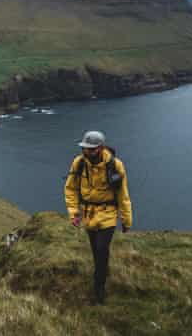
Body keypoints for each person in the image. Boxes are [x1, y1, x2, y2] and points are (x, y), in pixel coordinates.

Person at [64, 130, 133, 305]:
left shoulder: (115, 166)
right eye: (86, 148)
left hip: (108, 214)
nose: (88, 152)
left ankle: (99, 290)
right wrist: (74, 212)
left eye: (92, 149)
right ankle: (101, 273)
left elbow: (123, 195)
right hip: (88, 214)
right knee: (96, 251)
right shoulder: (78, 163)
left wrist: (126, 220)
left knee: (102, 249)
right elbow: (70, 189)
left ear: (101, 148)